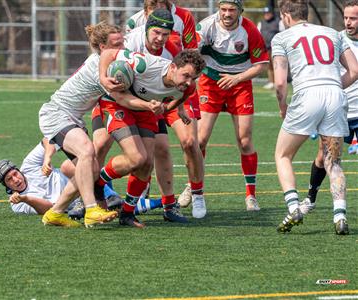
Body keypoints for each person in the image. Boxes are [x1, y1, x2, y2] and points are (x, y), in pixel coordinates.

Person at [272, 0, 358, 235]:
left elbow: (280, 83)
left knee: (282, 155)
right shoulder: (332, 33)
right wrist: (333, 86)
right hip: (336, 96)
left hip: (307, 95)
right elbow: (355, 70)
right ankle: (339, 215)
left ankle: (294, 208)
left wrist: (283, 105)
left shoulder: (282, 38)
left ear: (286, 15)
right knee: (334, 162)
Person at [97, 48, 205, 228]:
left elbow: (176, 101)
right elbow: (108, 52)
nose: (188, 82)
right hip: (117, 104)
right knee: (136, 158)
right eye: (185, 75)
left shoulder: (188, 88)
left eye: (193, 78)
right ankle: (98, 183)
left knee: (146, 164)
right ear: (172, 67)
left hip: (145, 111)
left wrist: (166, 108)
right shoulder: (146, 64)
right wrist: (103, 78)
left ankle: (127, 214)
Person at [38, 22, 124, 228]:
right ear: (102, 47)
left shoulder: (110, 61)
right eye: (116, 44)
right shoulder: (99, 67)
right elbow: (123, 97)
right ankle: (92, 209)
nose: (122, 48)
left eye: (123, 42)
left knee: (91, 169)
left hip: (71, 117)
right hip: (56, 113)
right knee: (87, 150)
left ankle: (55, 213)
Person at [194, 0, 269, 212]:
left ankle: (251, 195)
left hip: (240, 85)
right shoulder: (206, 27)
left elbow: (261, 65)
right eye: (223, 9)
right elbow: (191, 53)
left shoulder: (250, 30)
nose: (227, 14)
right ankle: (194, 187)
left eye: (232, 10)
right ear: (219, 8)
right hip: (211, 84)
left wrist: (236, 79)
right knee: (199, 140)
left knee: (245, 141)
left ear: (239, 10)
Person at [298, 0, 358, 220]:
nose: (348, 22)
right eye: (346, 18)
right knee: (324, 158)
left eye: (354, 18)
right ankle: (311, 198)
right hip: (340, 111)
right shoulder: (336, 39)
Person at [0, 139, 81, 227]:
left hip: (76, 178)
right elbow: (49, 208)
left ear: (19, 170)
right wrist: (26, 199)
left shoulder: (29, 165)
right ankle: (85, 199)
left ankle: (88, 194)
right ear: (6, 185)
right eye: (9, 179)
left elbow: (47, 140)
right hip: (73, 202)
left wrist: (47, 159)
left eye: (15, 174)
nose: (15, 180)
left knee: (67, 166)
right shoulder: (17, 203)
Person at [257, 5, 285, 89]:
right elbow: (258, 34)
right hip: (266, 47)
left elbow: (283, 33)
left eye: (268, 13)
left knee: (277, 65)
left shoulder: (278, 22)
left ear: (272, 13)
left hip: (276, 48)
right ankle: (271, 82)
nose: (266, 15)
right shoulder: (261, 23)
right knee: (269, 65)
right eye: (265, 13)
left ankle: (280, 82)